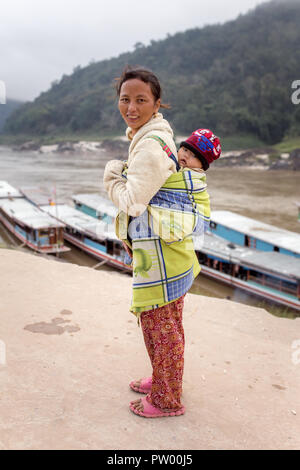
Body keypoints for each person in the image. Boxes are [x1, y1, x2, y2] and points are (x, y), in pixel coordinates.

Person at [103, 66, 219, 418]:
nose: (131, 107)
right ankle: (161, 378)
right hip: (166, 254)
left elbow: (135, 201)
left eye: (141, 100)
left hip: (163, 260)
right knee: (161, 326)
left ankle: (168, 400)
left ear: (157, 104)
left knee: (163, 330)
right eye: (125, 99)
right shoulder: (153, 134)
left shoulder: (150, 147)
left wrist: (112, 176)